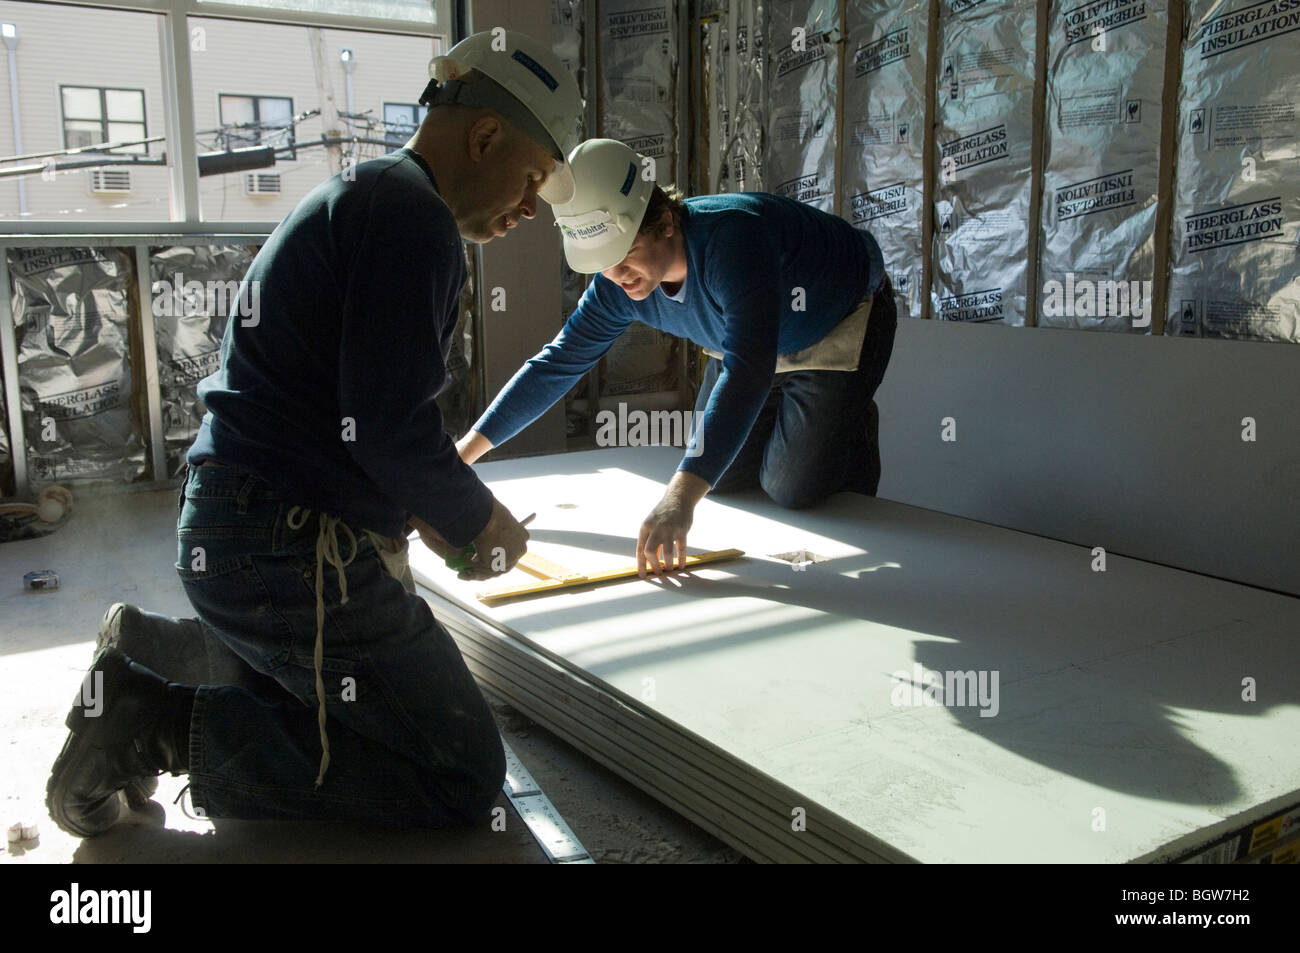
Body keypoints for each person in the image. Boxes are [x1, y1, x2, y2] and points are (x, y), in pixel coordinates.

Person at [46, 30, 583, 837]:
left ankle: (170, 652)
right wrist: (481, 522)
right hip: (286, 549)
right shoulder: (414, 217)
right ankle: (149, 719)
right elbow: (388, 428)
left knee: (339, 694)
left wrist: (426, 514)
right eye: (535, 177)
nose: (532, 208)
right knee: (459, 767)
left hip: (239, 529)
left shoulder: (364, 192)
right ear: (483, 137)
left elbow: (350, 416)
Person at [456, 139, 898, 576]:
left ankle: (848, 423)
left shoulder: (733, 240)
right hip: (748, 342)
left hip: (835, 318)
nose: (617, 276)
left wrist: (678, 500)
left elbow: (747, 370)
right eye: (601, 263)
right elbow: (558, 363)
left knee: (790, 486)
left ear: (665, 221)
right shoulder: (616, 284)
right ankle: (797, 428)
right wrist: (464, 455)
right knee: (718, 479)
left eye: (625, 254)